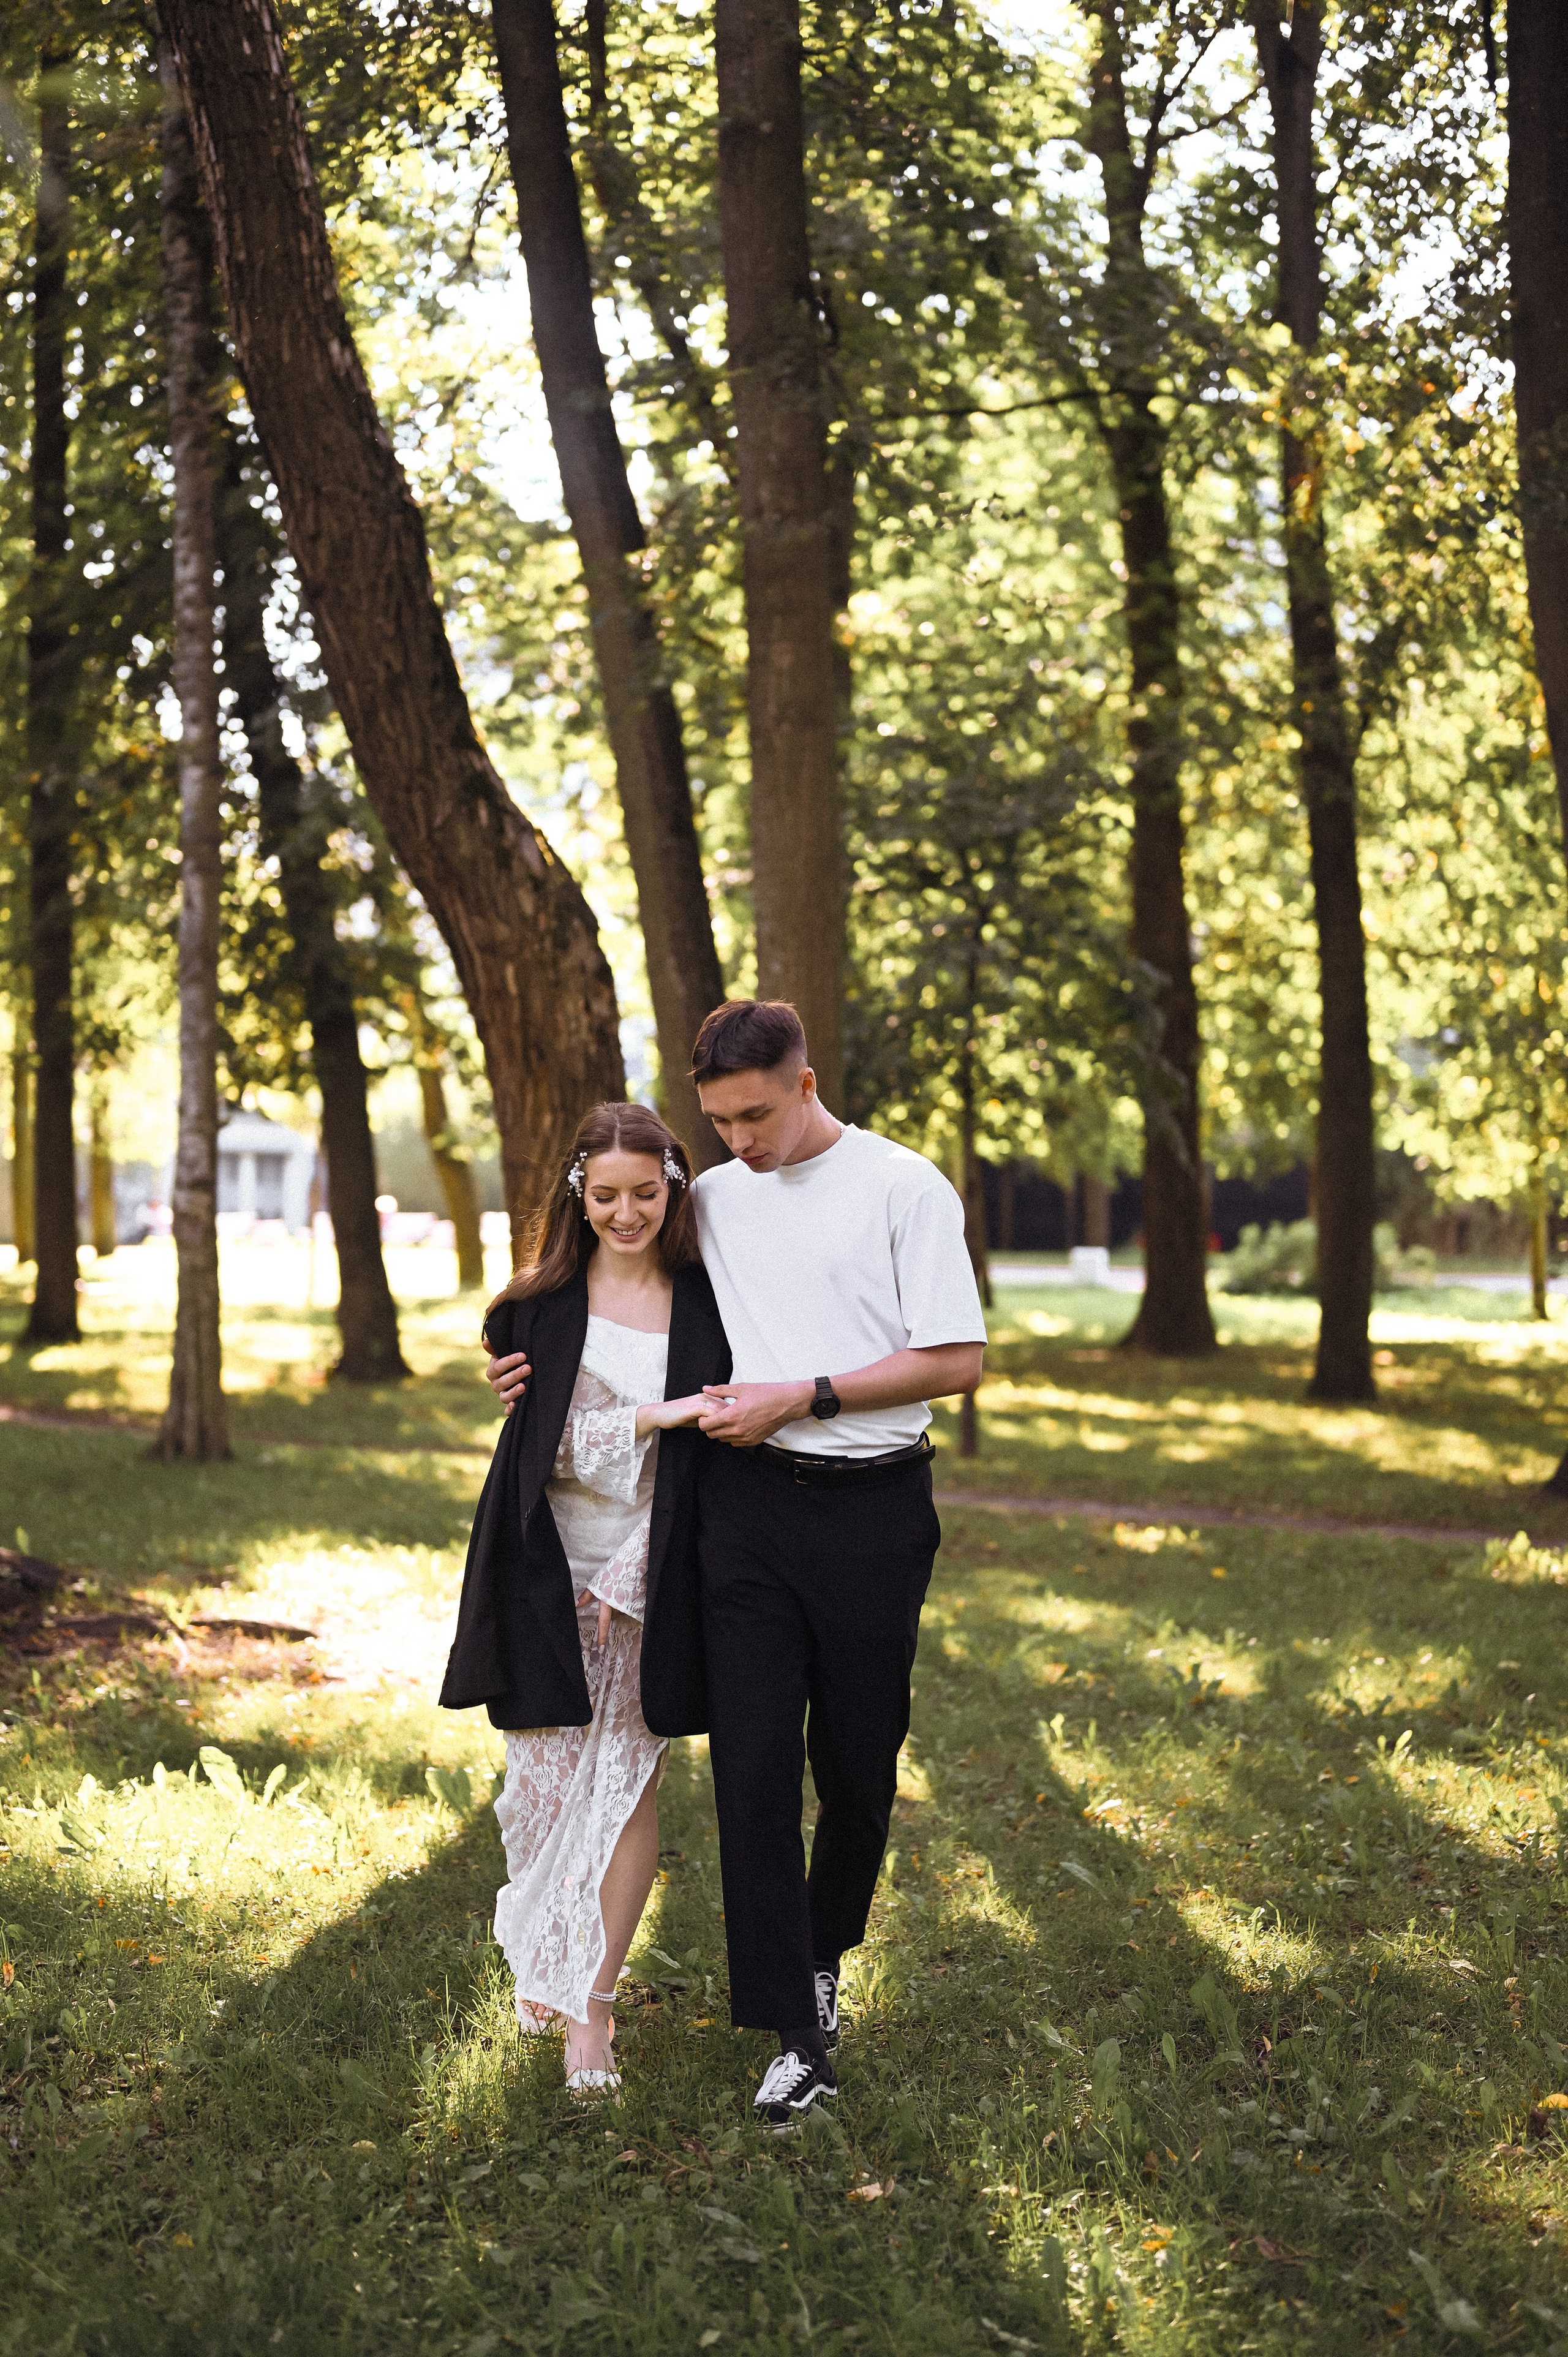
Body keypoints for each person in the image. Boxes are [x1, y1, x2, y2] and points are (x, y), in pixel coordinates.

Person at [488, 1003, 986, 2128]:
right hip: (746, 1517)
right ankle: (794, 2033)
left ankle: (824, 1957)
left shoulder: (905, 1188)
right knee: (753, 1772)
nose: (741, 1142)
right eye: (718, 1123)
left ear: (807, 1082)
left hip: (873, 1511)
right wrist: (521, 1366)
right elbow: (600, 1280)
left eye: (757, 1114)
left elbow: (957, 1360)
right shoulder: (705, 1195)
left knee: (856, 1768)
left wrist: (802, 1394)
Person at [440, 1102, 729, 2094]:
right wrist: (661, 1411)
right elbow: (547, 1448)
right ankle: (550, 1959)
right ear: (578, 1195)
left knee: (627, 1786)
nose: (625, 1213)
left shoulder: (711, 1303)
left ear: (674, 1185)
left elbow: (709, 1471)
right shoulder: (535, 1311)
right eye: (604, 1195)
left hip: (657, 1571)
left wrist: (630, 1578)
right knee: (540, 1794)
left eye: (644, 1193)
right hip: (543, 1570)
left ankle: (594, 2007)